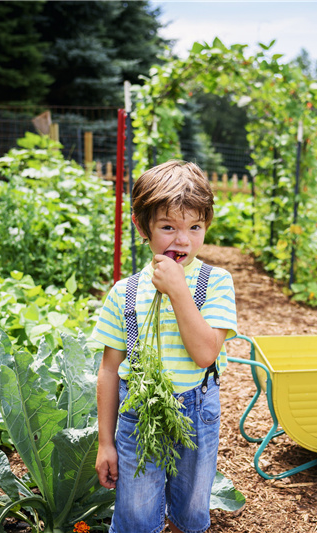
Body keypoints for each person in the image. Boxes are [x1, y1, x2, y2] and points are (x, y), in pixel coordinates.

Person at [92, 160, 238, 533]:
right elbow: (109, 370)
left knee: (190, 512)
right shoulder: (124, 293)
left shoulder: (216, 282)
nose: (182, 240)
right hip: (138, 413)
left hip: (196, 411)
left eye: (194, 227)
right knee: (136, 512)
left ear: (206, 226)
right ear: (143, 227)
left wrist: (177, 290)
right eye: (168, 227)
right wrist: (104, 443)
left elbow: (206, 354)